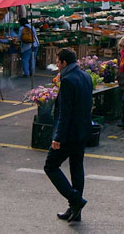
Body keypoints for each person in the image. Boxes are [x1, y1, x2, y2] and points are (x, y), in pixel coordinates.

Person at [44, 48, 93, 222]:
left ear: (64, 62)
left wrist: (57, 137)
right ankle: (75, 211)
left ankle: (75, 200)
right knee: (76, 167)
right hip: (83, 130)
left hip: (69, 133)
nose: (57, 66)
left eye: (57, 62)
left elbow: (64, 112)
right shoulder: (85, 76)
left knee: (50, 166)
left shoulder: (67, 80)